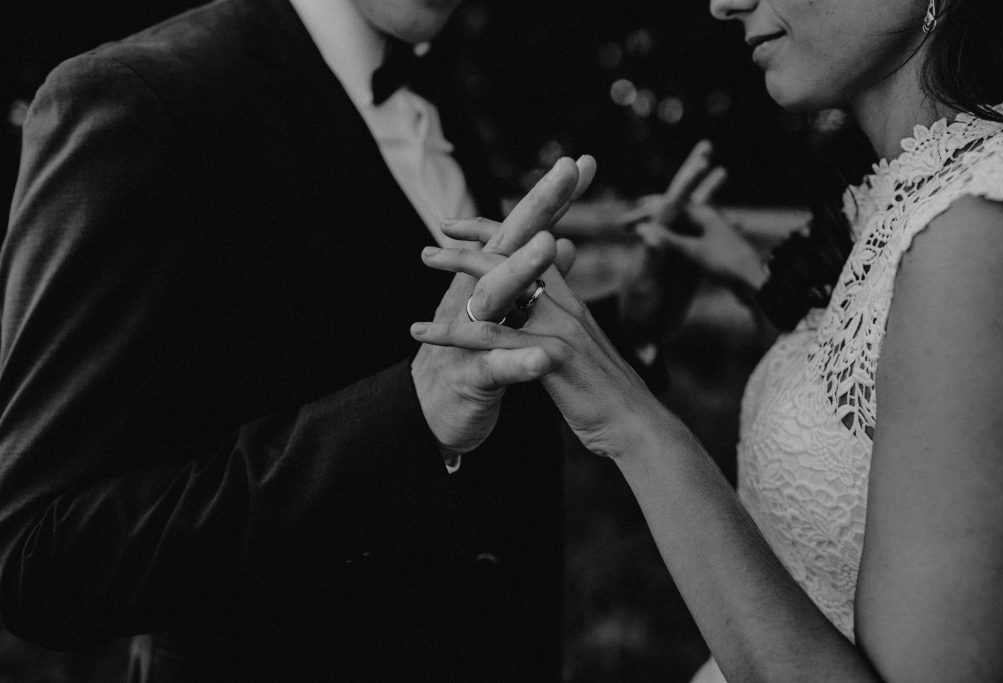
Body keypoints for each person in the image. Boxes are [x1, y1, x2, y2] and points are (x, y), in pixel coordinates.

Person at [411, 0, 1003, 679]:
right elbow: (871, 412)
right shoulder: (909, 192)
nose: (724, 2)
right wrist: (758, 284)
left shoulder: (981, 226)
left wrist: (626, 414)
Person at [0, 0, 595, 679]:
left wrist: (626, 323)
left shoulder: (434, 87)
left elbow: (420, 341)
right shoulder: (140, 99)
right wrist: (412, 412)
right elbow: (41, 554)